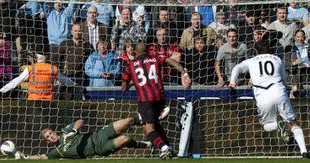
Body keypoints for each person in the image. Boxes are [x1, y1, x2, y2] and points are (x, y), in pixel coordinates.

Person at [228, 40, 310, 159]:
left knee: (267, 126)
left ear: (255, 51)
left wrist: (232, 83)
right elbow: (283, 78)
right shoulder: (277, 59)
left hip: (262, 96)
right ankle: (304, 152)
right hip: (278, 92)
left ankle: (278, 124)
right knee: (293, 123)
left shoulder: (251, 61)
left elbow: (236, 68)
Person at [122, 42, 191, 159]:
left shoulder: (130, 65)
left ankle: (165, 148)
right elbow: (170, 61)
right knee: (156, 124)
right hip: (160, 98)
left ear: (135, 52)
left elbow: (124, 88)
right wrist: (184, 73)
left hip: (145, 100)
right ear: (148, 51)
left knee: (148, 129)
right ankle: (170, 148)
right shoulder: (155, 59)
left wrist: (133, 82)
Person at [14, 118, 151, 159]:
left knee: (128, 121)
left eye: (51, 133)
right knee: (125, 139)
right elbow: (41, 157)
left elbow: (80, 121)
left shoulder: (65, 131)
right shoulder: (58, 151)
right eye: (48, 137)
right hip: (100, 148)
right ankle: (139, 144)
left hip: (99, 135)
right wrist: (25, 157)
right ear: (48, 141)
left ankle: (147, 119)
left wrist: (74, 130)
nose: (52, 136)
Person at [0, 47, 75, 101]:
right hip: (49, 101)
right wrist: (76, 86)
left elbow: (16, 82)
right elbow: (67, 82)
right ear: (46, 56)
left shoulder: (31, 68)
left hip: (33, 100)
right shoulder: (53, 68)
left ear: (36, 56)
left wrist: (2, 90)